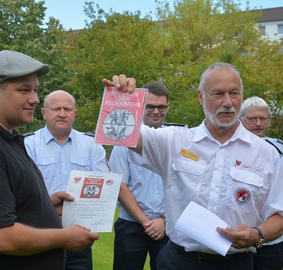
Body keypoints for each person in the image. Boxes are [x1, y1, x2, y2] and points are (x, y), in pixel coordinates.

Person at [102, 63, 283, 270]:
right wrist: (122, 99)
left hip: (236, 263)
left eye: (234, 93)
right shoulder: (175, 141)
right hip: (179, 261)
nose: (228, 102)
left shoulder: (267, 154)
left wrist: (257, 234)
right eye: (218, 94)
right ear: (200, 96)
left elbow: (279, 215)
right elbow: (120, 134)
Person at [0, 50, 99, 270]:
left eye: (35, 90)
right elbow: (0, 237)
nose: (35, 99)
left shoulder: (3, 137)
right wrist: (63, 237)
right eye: (24, 90)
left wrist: (42, 203)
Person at [24, 90, 109, 270]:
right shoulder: (27, 145)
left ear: (75, 113)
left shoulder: (92, 145)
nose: (62, 113)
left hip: (78, 236)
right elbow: (23, 193)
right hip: (40, 234)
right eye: (56, 109)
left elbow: (103, 191)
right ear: (44, 113)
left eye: (67, 109)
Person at [109, 81, 171, 270]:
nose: (156, 111)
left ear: (168, 107)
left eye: (161, 107)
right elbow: (120, 186)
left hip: (167, 226)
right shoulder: (123, 141)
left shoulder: (176, 141)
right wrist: (146, 222)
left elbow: (184, 186)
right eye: (150, 106)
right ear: (140, 106)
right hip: (131, 226)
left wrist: (164, 220)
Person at [240, 96, 283, 270]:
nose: (258, 123)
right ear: (241, 120)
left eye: (263, 118)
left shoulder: (279, 150)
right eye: (252, 119)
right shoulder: (230, 149)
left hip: (271, 240)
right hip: (237, 239)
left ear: (269, 121)